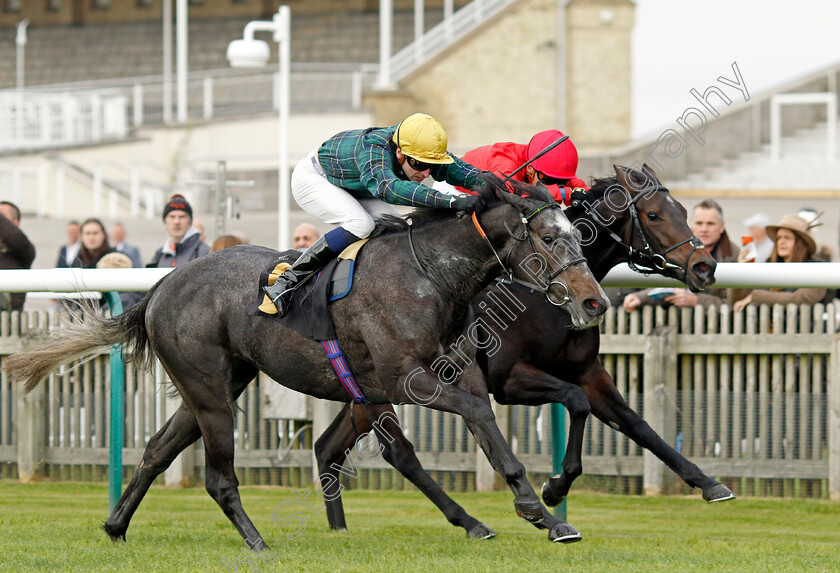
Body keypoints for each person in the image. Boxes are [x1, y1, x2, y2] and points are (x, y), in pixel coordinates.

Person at [262, 112, 487, 316]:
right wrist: (451, 200)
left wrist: (502, 187)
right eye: (419, 165)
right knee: (361, 224)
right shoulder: (373, 149)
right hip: (314, 179)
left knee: (398, 228)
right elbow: (388, 188)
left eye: (431, 165)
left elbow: (464, 172)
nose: (426, 173)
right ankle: (286, 282)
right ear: (399, 152)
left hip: (356, 184)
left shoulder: (417, 147)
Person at [623, 198, 738, 311]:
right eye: (699, 223)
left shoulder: (734, 255)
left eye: (710, 224)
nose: (704, 229)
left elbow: (734, 304)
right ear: (691, 226)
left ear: (722, 226)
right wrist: (641, 298)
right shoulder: (677, 249)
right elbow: (666, 286)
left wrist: (696, 301)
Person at [437, 129, 589, 204]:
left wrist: (591, 194)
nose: (556, 185)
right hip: (454, 188)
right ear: (530, 169)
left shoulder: (540, 164)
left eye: (559, 182)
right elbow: (510, 193)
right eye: (548, 180)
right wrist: (564, 194)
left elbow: (575, 184)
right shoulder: (506, 160)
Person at [730, 214, 827, 311]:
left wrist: (756, 297)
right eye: (779, 238)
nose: (781, 242)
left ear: (800, 242)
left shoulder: (817, 269)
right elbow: (737, 298)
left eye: (787, 237)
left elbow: (801, 299)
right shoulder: (769, 266)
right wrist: (741, 270)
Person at [149, 195, 210, 268]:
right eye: (172, 217)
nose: (176, 222)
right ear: (165, 223)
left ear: (190, 223)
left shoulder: (203, 252)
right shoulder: (160, 254)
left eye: (182, 217)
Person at [0, 201, 36, 312]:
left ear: (15, 223)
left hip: (10, 320)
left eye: (2, 216)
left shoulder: (24, 250)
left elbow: (14, 237)